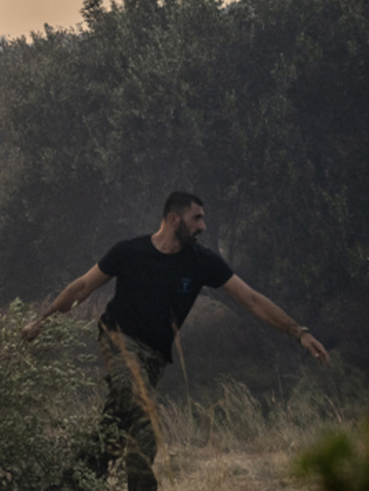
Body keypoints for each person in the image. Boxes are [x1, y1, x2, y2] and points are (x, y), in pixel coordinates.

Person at [21, 191, 330, 491]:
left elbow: (251, 300)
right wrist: (40, 322)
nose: (203, 227)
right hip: (118, 338)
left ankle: (69, 485)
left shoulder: (202, 262)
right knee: (143, 417)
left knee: (113, 432)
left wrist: (298, 332)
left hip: (154, 358)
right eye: (196, 218)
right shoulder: (128, 252)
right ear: (173, 219)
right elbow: (81, 289)